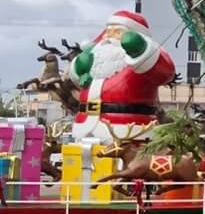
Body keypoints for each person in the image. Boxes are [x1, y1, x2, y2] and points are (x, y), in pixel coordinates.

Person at [68, 11, 176, 147]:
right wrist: (80, 66)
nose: (109, 38)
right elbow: (76, 79)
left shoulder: (141, 62)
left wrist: (141, 50)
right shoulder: (94, 60)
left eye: (118, 32)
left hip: (127, 127)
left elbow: (166, 73)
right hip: (85, 124)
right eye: (108, 32)